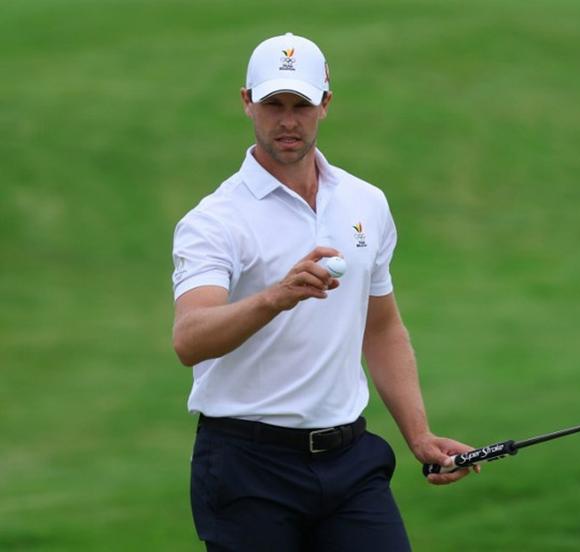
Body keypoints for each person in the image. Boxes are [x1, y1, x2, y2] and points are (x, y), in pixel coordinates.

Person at [171, 32, 476, 551]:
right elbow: (190, 338)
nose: (287, 120)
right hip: (248, 469)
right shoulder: (214, 220)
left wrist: (419, 435)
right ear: (247, 102)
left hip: (349, 461)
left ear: (325, 104)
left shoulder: (366, 202)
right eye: (273, 104)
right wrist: (276, 296)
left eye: (301, 104)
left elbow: (380, 327)